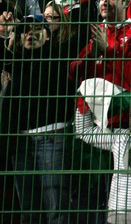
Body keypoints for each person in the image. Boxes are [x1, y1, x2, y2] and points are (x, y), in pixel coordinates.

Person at [1, 15, 80, 223]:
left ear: (47, 36)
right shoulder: (15, 62)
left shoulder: (59, 57)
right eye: (26, 30)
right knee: (28, 209)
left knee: (56, 206)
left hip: (52, 138)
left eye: (37, 28)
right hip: (20, 143)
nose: (30, 33)